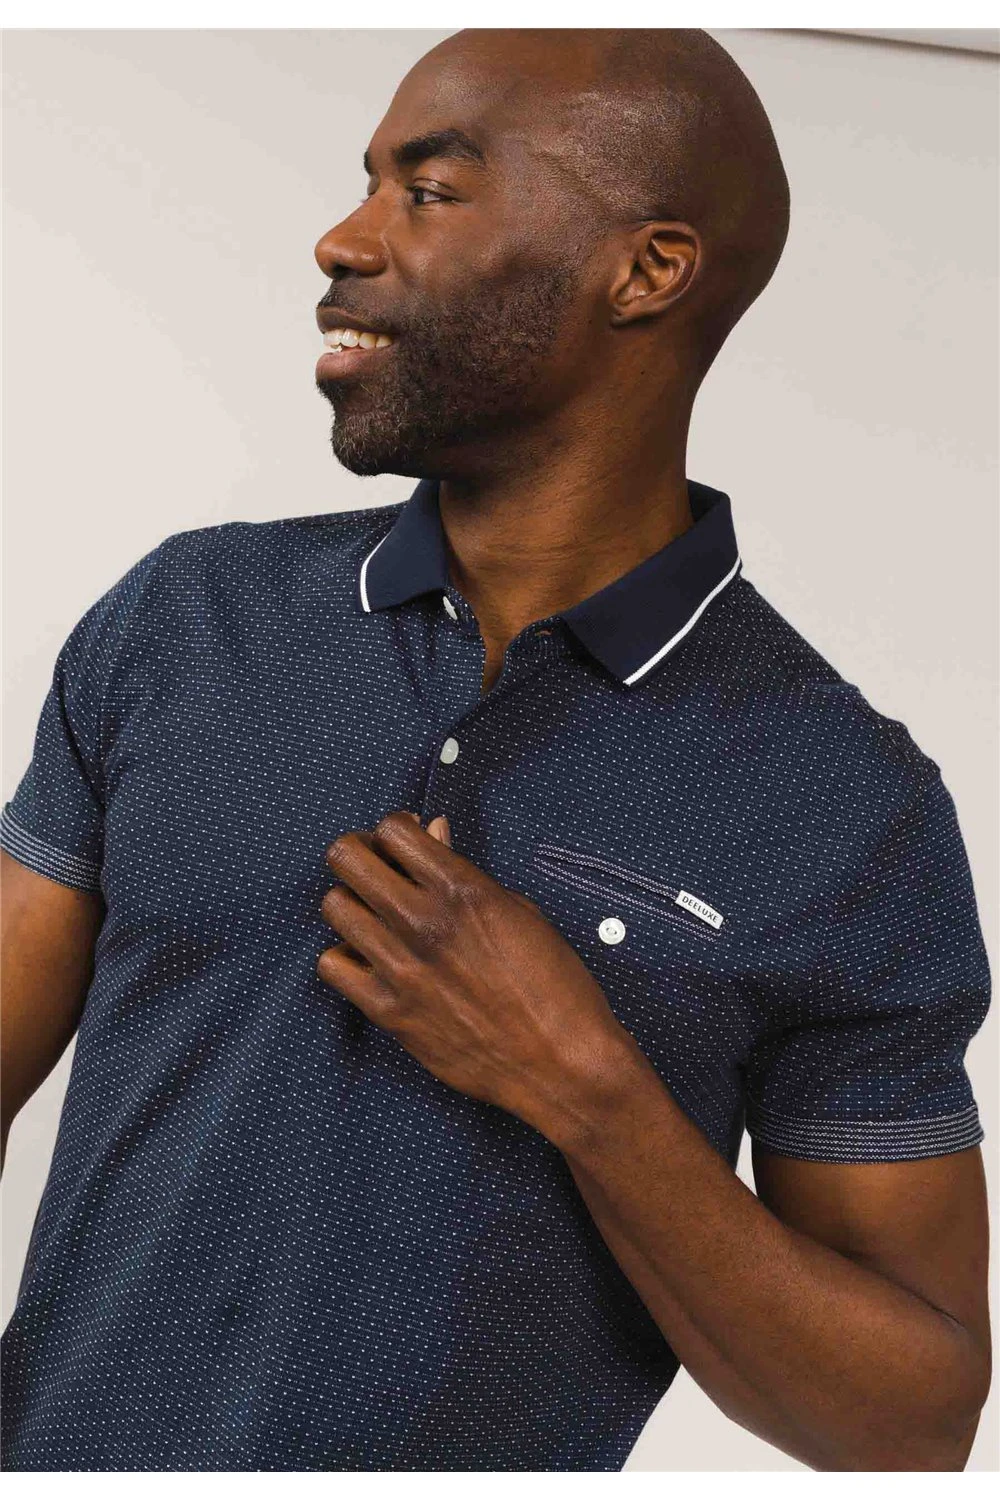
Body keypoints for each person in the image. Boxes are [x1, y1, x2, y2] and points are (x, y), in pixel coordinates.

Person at [0, 27, 991, 1473]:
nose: (343, 239)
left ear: (647, 271)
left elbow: (911, 1424)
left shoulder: (848, 806)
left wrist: (585, 1088)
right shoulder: (189, 616)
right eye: (367, 184)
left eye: (428, 191)